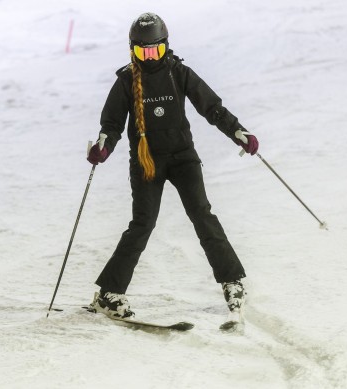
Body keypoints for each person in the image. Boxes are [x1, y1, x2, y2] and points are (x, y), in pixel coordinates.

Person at [86, 12, 258, 321]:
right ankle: (108, 294)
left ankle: (232, 282)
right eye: (142, 51)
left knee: (202, 216)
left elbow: (212, 108)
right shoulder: (126, 80)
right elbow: (111, 125)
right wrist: (103, 147)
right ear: (132, 50)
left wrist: (238, 132)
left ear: (166, 46)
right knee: (142, 225)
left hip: (182, 158)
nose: (149, 56)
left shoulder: (180, 73)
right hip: (146, 163)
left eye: (155, 49)